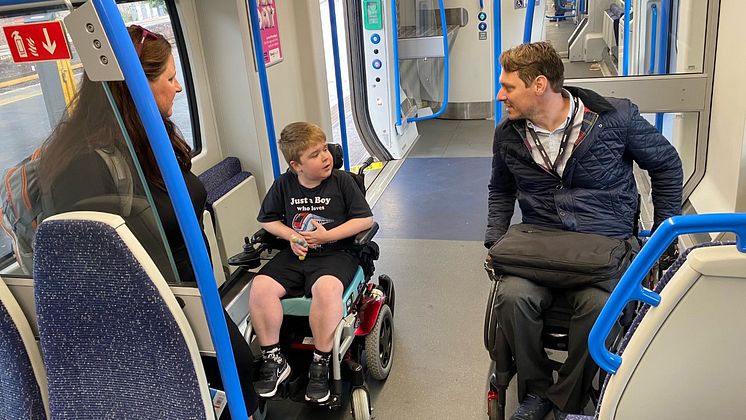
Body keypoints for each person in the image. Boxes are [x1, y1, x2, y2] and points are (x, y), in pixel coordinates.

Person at [38, 25, 259, 419]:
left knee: (240, 378)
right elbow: (98, 268)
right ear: (136, 88)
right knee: (237, 378)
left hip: (191, 294)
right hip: (155, 311)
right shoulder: (88, 167)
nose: (177, 88)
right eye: (170, 78)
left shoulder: (150, 137)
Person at [485, 42, 682, 420]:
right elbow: (501, 188)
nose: (500, 95)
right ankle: (538, 390)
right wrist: (495, 239)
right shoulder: (508, 136)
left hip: (603, 246)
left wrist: (661, 236)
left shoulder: (614, 118)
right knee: (512, 296)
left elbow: (667, 165)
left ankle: (566, 400)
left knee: (598, 308)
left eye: (508, 87)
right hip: (540, 248)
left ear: (539, 85)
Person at [249, 122, 374, 403]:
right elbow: (267, 220)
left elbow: (365, 220)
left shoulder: (342, 181)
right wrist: (292, 235)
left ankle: (320, 362)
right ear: (297, 165)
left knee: (326, 290)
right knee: (260, 287)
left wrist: (326, 236)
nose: (326, 156)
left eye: (325, 148)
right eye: (316, 154)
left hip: (337, 252)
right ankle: (274, 358)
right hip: (297, 254)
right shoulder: (284, 185)